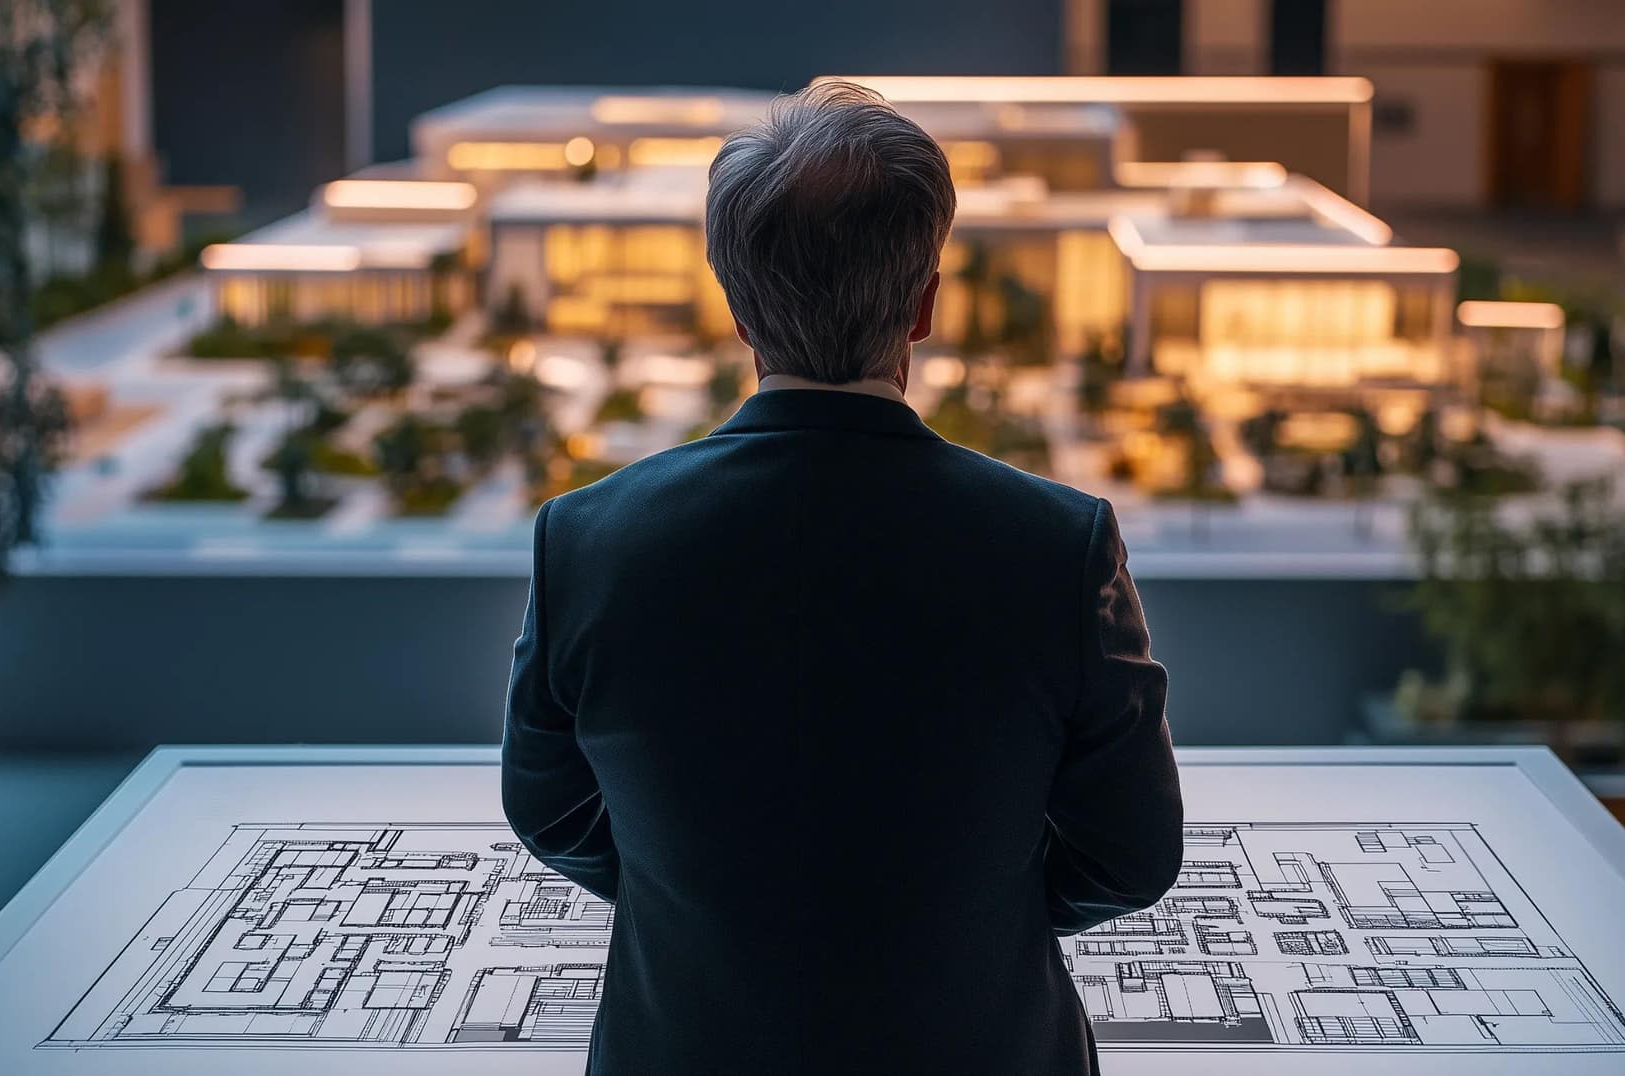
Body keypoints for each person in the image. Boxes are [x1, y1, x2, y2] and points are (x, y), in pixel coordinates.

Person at [503, 80, 1183, 1075]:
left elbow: (550, 808)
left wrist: (698, 893)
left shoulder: (588, 540)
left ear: (737, 309)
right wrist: (973, 911)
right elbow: (1131, 854)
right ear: (924, 307)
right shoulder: (1057, 546)